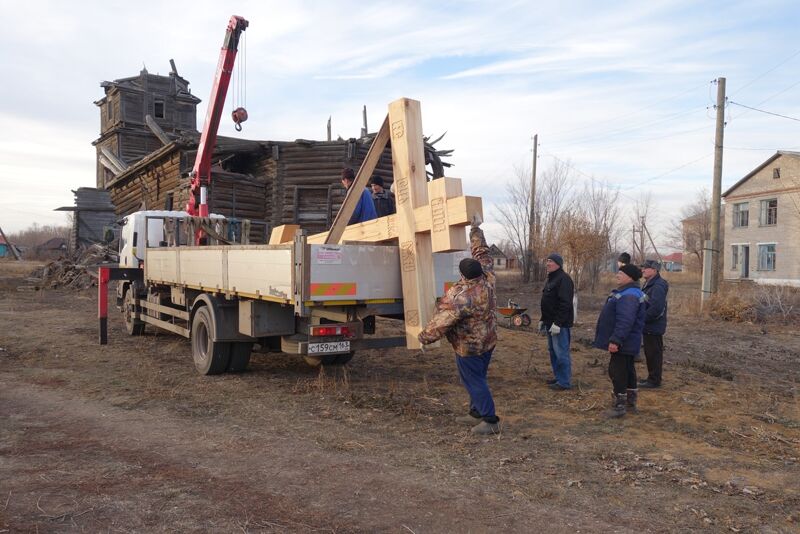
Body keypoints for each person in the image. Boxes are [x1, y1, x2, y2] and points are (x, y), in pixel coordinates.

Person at [418, 215, 499, 435]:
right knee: (478, 378)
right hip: (488, 340)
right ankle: (476, 412)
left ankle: (490, 420)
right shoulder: (488, 276)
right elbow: (481, 251)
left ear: (463, 274)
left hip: (470, 347)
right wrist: (475, 229)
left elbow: (441, 322)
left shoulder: (461, 297)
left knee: (474, 381)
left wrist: (424, 337)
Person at [593, 264, 647, 418]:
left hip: (623, 342)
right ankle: (630, 403)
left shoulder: (629, 295)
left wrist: (616, 340)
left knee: (617, 372)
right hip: (629, 342)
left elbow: (625, 321)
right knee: (628, 371)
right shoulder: (631, 292)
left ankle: (619, 406)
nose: (617, 275)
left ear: (629, 277)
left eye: (620, 273)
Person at [538, 253, 574, 390]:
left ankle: (564, 382)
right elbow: (548, 302)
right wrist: (543, 319)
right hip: (549, 323)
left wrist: (558, 323)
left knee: (561, 352)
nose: (548, 264)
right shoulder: (551, 278)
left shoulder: (564, 279)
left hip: (560, 325)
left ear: (558, 264)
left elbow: (565, 304)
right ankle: (559, 377)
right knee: (553, 351)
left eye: (551, 261)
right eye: (547, 261)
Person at [639, 259, 669, 389]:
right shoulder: (649, 283)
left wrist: (642, 318)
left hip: (653, 326)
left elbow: (656, 308)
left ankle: (654, 380)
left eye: (646, 268)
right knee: (650, 353)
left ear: (654, 270)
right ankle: (652, 378)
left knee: (653, 354)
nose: (643, 270)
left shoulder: (657, 286)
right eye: (643, 268)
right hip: (649, 326)